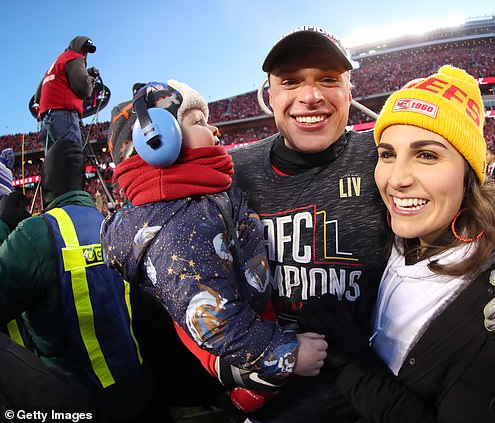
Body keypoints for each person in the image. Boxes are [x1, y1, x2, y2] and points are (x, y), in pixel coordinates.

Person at [300, 65, 495, 422]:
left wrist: (351, 365)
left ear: (468, 172)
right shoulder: (390, 229)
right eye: (387, 154)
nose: (397, 179)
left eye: (427, 155)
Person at [101, 80, 328, 416]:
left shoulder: (199, 199)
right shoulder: (182, 228)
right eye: (198, 122)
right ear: (158, 141)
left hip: (244, 321)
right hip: (235, 339)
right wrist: (289, 353)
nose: (215, 129)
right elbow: (218, 324)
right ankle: (237, 408)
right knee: (274, 381)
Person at [229, 25, 389, 422]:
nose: (311, 96)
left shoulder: (383, 156)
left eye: (329, 79)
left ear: (350, 90)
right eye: (291, 81)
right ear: (270, 95)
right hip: (269, 403)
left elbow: (455, 190)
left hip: (371, 397)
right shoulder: (233, 171)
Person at [0, 141, 161, 422]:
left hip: (77, 400)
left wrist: (3, 226)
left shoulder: (36, 233)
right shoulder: (110, 221)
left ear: (47, 180)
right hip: (139, 387)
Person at [34, 36, 99, 150]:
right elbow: (84, 89)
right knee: (70, 159)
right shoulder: (74, 57)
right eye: (83, 49)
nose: (84, 53)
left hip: (47, 119)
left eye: (87, 51)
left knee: (54, 163)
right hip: (64, 115)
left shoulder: (58, 62)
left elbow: (38, 93)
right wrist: (90, 80)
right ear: (76, 47)